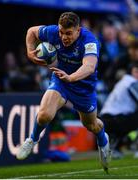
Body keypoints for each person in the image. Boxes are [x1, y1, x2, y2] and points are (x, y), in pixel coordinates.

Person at [16, 12, 111, 172]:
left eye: (68, 33)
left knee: (91, 125)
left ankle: (103, 140)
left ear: (78, 30)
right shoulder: (53, 32)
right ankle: (32, 139)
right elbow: (31, 32)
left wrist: (72, 77)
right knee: (45, 114)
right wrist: (30, 52)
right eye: (61, 32)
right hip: (61, 80)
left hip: (84, 86)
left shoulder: (89, 41)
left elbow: (89, 66)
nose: (64, 37)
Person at [100, 62, 138, 158]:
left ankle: (116, 148)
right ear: (131, 72)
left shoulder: (124, 81)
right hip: (114, 119)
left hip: (105, 120)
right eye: (136, 71)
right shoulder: (131, 82)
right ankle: (131, 145)